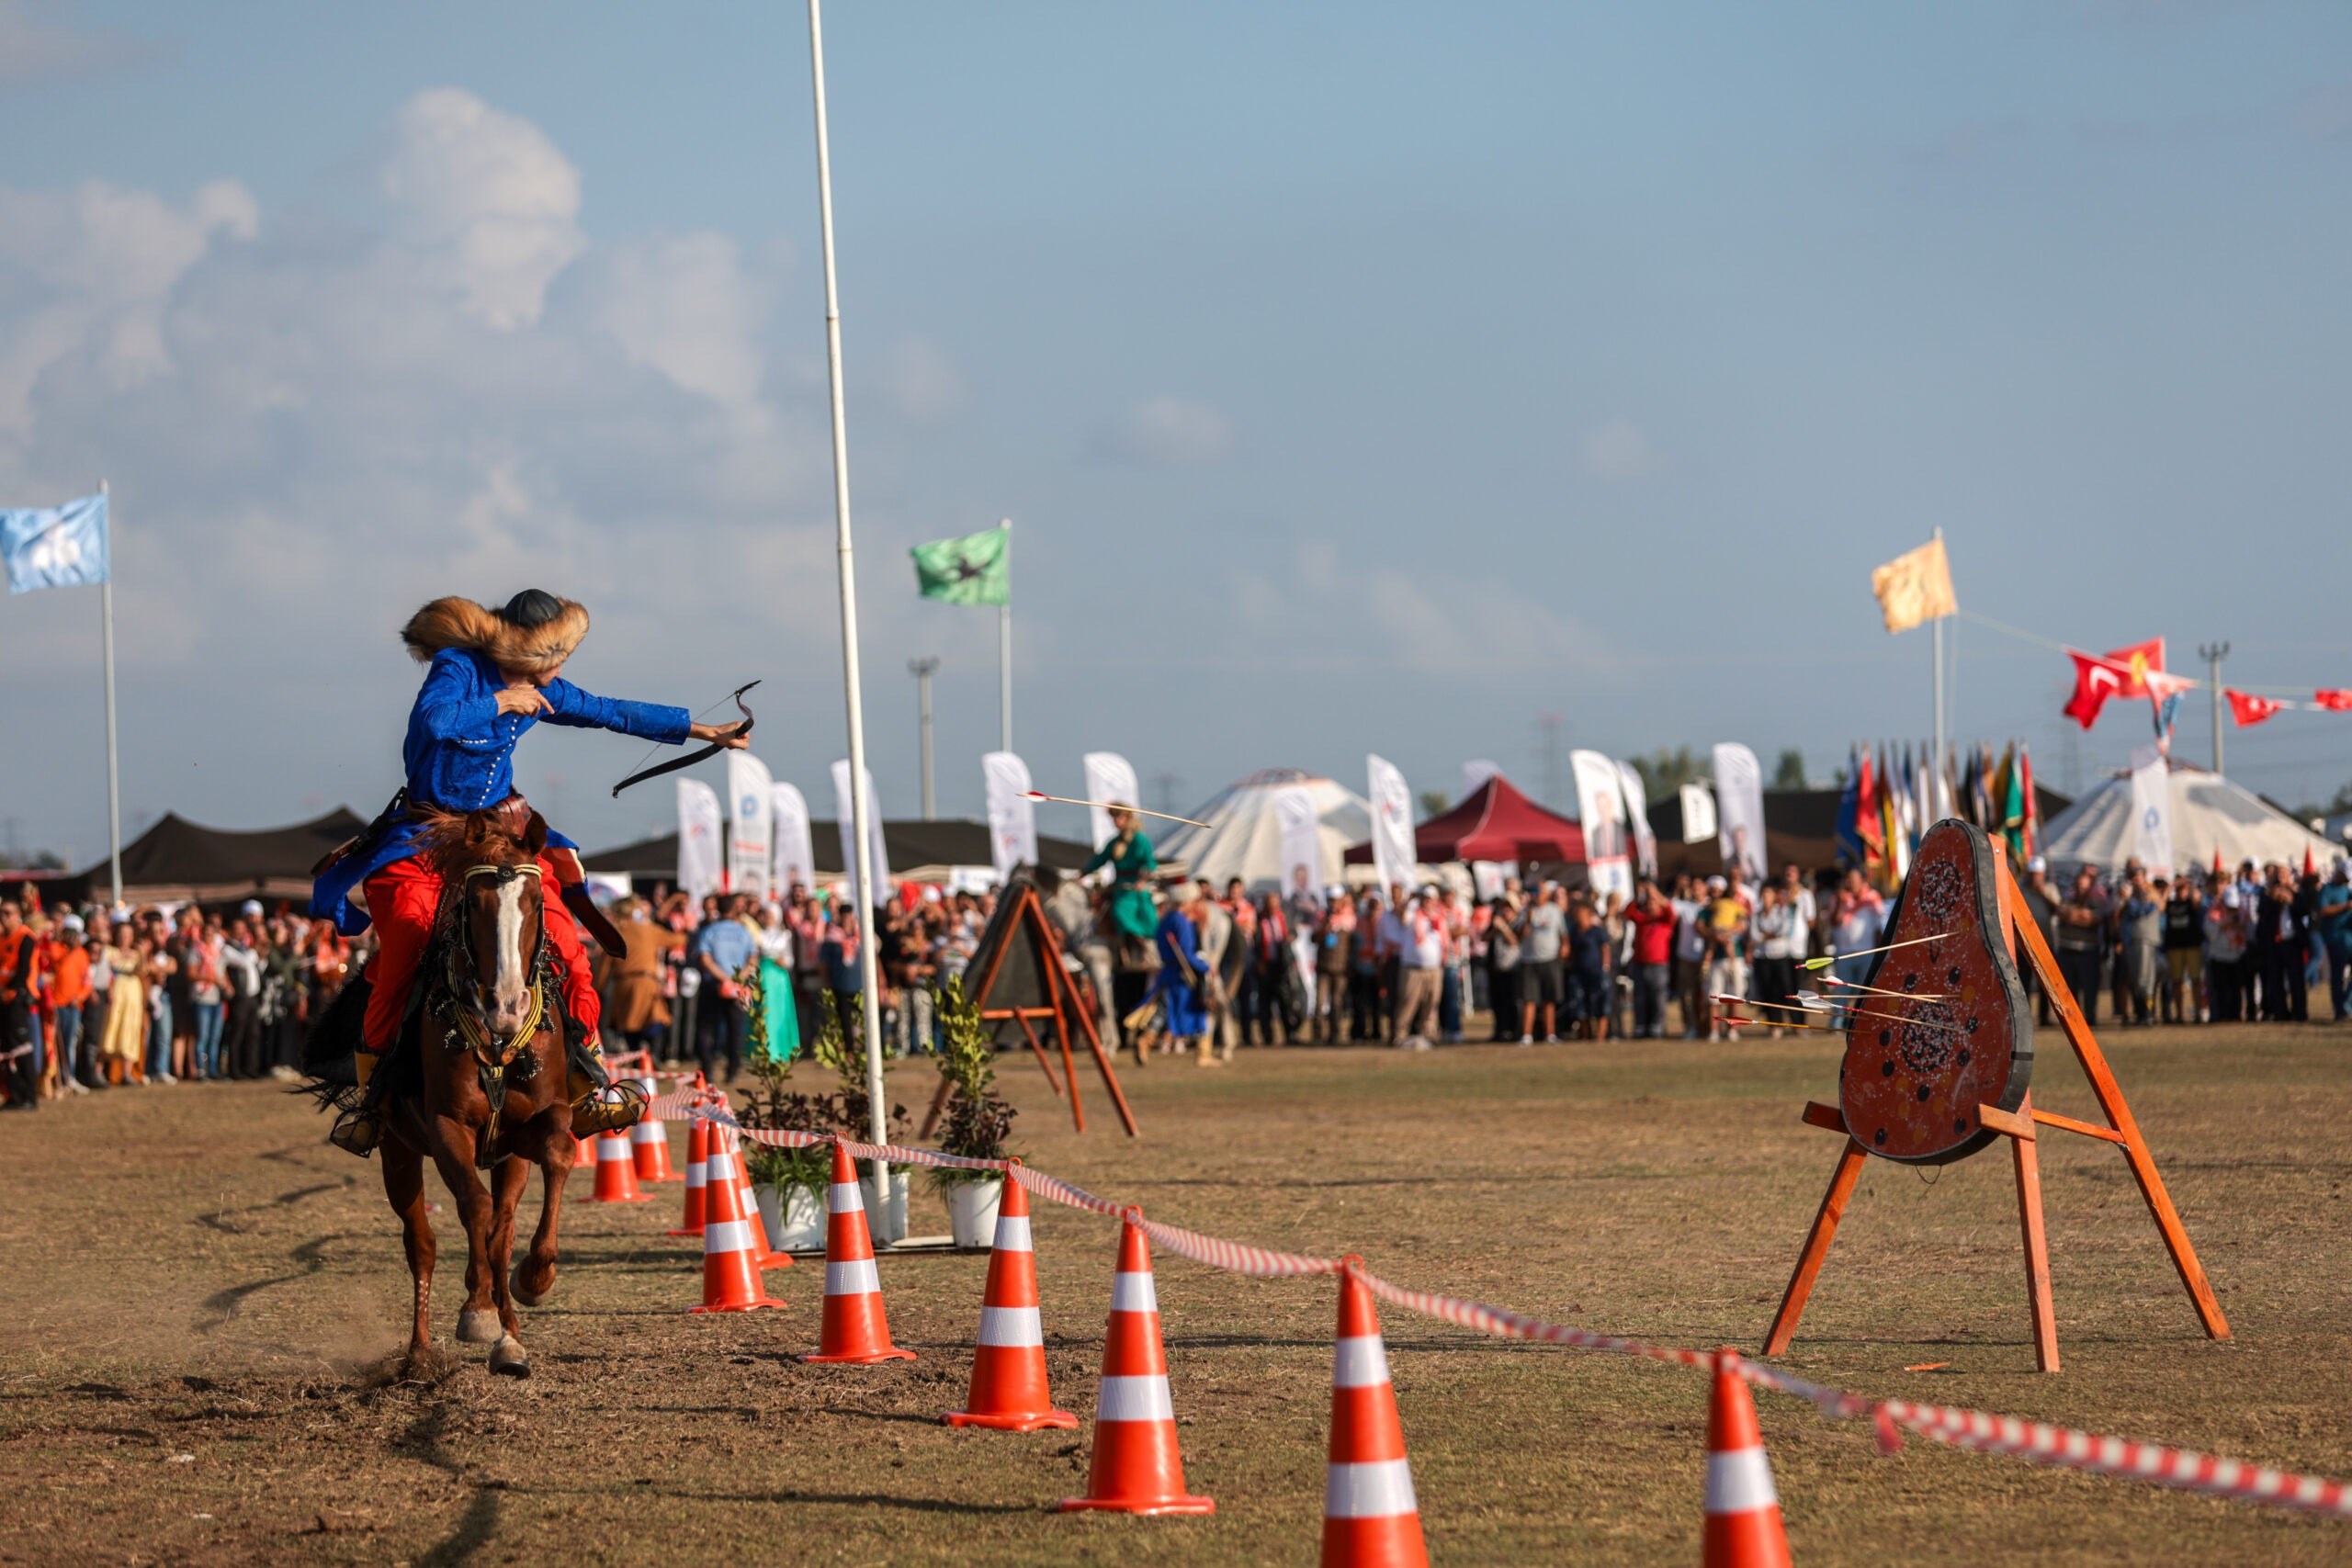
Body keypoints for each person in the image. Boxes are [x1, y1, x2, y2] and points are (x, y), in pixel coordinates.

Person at [308, 591, 745, 1154]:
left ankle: (590, 1084)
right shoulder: (459, 668)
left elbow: (611, 711)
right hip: (423, 837)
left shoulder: (540, 687)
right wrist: (501, 700)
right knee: (405, 950)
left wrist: (703, 731)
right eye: (551, 662)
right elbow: (433, 720)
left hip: (500, 834)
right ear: (521, 650)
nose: (559, 673)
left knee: (567, 946)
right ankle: (373, 1100)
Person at [1082, 807, 1160, 1041]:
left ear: (1127, 818)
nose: (1116, 821)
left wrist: (1142, 879)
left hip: (1134, 890)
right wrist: (1083, 872)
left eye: (1119, 816)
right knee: (1100, 911)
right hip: (1118, 887)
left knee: (1119, 911)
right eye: (1114, 817)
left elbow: (1150, 863)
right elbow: (1100, 859)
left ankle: (1141, 944)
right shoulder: (1114, 842)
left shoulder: (1140, 840)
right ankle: (1116, 948)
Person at [2053, 868, 2108, 1025]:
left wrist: (2075, 916)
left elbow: (2095, 920)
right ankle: (2073, 1020)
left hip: (2088, 952)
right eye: (2079, 885)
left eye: (2084, 886)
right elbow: (2064, 915)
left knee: (2090, 988)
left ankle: (2090, 1018)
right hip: (2067, 951)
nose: (2081, 889)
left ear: (2090, 887)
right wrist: (2082, 916)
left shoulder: (2095, 904)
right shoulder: (2066, 901)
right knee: (2070, 990)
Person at [1391, 889, 1444, 1050]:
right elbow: (1400, 915)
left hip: (1434, 968)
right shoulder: (1413, 914)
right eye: (1425, 899)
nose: (1428, 902)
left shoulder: (1438, 916)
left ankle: (1430, 1034)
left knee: (1432, 1002)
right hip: (1413, 967)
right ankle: (1400, 1034)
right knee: (1408, 1001)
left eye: (1431, 899)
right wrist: (1408, 900)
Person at [1625, 880, 1676, 1038]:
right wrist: (1639, 895)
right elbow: (1628, 913)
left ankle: (1657, 1027)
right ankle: (1641, 1027)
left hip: (1659, 965)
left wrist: (1655, 893)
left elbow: (1670, 910)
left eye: (1654, 903)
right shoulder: (1642, 920)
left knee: (1658, 998)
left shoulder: (1665, 920)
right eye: (1649, 903)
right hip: (1640, 964)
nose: (1651, 905)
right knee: (1640, 998)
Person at [1519, 883, 1566, 1044]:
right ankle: (1526, 1035)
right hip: (1530, 960)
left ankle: (1550, 1034)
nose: (1537, 895)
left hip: (1550, 959)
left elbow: (1563, 934)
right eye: (1535, 892)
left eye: (1540, 891)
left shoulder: (1554, 910)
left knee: (1549, 999)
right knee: (1529, 1000)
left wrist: (1565, 949)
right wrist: (1528, 920)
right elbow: (1522, 935)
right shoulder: (1525, 911)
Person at [0, 903, 37, 1109]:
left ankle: (29, 1096)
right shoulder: (3, 936)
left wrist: (10, 990)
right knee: (7, 1048)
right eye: (1, 913)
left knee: (22, 1047)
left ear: (18, 915)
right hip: (3, 998)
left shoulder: (25, 937)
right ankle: (14, 1094)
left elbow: (24, 970)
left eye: (8, 913)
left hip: (17, 997)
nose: (3, 917)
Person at [2160, 874, 2207, 1024]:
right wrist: (2171, 886)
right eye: (2179, 889)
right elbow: (2160, 907)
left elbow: (2198, 903)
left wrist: (2191, 885)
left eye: (2183, 888)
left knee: (2195, 980)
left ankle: (2198, 1013)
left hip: (2192, 946)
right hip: (2175, 947)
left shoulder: (2191, 903)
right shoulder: (2171, 903)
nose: (2181, 891)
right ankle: (2179, 1014)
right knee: (2176, 982)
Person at [1564, 897, 1610, 1041]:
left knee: (1600, 1003)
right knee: (1580, 1004)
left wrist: (1605, 967)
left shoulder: (1597, 931)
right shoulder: (1574, 931)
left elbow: (1605, 949)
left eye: (1581, 911)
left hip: (1596, 972)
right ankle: (1585, 1034)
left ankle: (1600, 1035)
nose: (1579, 914)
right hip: (1579, 973)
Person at [1485, 892, 1522, 1043]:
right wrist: (1495, 928)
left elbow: (1515, 942)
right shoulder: (1496, 922)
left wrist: (1504, 928)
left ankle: (1513, 1031)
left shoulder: (1519, 923)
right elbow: (1484, 938)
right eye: (1503, 908)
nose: (1505, 911)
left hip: (1513, 969)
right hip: (1496, 969)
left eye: (1508, 908)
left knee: (1512, 1002)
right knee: (1497, 1002)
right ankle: (1499, 1030)